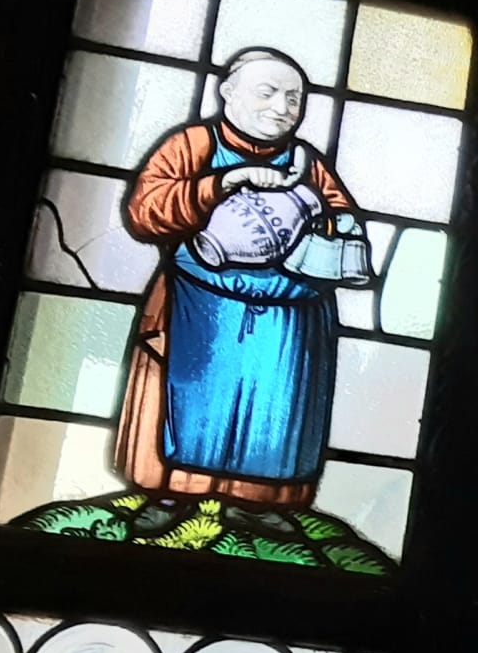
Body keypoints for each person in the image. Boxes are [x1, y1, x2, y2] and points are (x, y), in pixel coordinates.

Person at [112, 47, 358, 515]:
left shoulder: (306, 162)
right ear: (228, 92)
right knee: (191, 405)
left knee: (275, 414)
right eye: (268, 92)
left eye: (294, 98)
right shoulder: (191, 145)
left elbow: (340, 216)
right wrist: (222, 184)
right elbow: (145, 212)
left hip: (287, 319)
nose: (282, 108)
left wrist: (326, 227)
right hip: (199, 305)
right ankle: (172, 496)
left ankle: (260, 507)